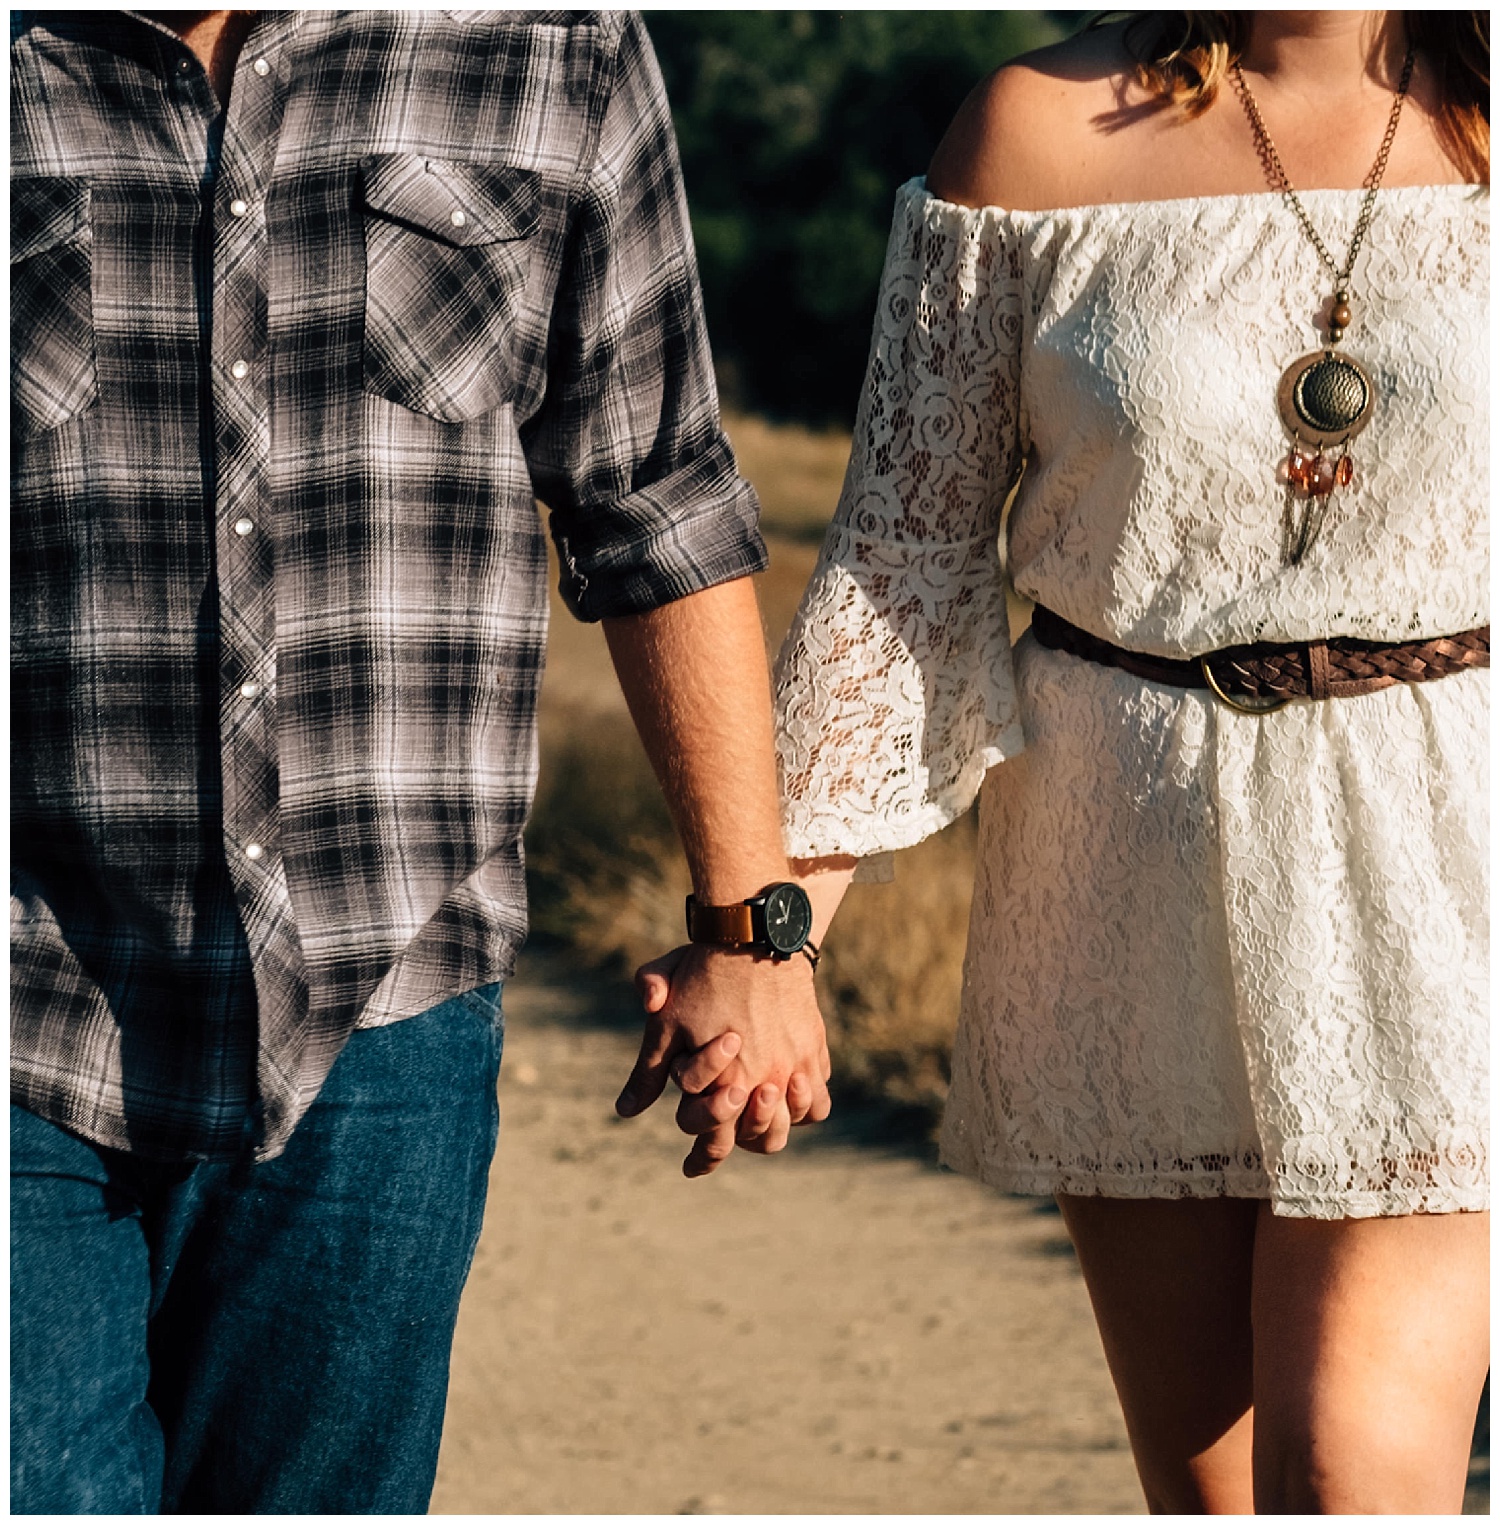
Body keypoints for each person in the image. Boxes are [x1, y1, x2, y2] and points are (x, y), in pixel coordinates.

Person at [10, 9, 829, 1513]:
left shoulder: (551, 42)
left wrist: (755, 927)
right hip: (26, 1004)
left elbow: (653, 497)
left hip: (385, 1015)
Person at [675, 9, 1487, 1515]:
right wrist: (765, 936)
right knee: (1218, 1495)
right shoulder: (1035, 132)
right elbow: (906, 569)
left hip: (1438, 858)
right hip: (1124, 858)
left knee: (1351, 1474)